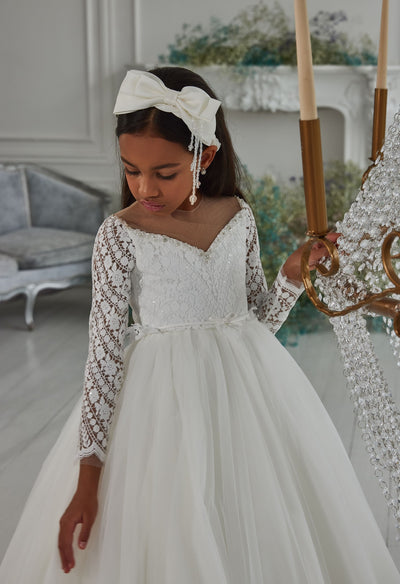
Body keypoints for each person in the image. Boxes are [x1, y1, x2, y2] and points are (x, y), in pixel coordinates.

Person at [1, 66, 399, 584]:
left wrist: (293, 275)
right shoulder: (120, 235)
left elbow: (257, 322)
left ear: (204, 156)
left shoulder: (237, 215)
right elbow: (102, 360)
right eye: (131, 170)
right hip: (159, 410)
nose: (145, 187)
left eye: (164, 172)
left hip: (248, 397)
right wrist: (88, 478)